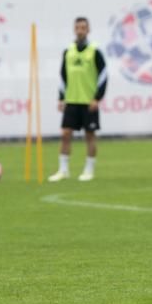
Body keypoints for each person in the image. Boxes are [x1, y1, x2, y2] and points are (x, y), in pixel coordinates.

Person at [48, 17, 108, 182]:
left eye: (83, 28)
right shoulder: (69, 51)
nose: (80, 30)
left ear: (88, 30)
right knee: (66, 134)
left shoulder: (95, 51)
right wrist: (61, 98)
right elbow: (63, 76)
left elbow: (103, 76)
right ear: (74, 30)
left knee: (90, 135)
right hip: (72, 100)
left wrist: (97, 98)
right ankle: (63, 170)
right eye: (78, 28)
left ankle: (89, 170)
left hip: (88, 101)